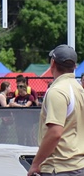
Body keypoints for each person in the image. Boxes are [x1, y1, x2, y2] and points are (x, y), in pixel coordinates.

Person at [28, 44, 84, 176]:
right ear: (74, 66)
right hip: (78, 164)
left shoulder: (57, 91)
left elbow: (55, 133)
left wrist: (35, 164)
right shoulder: (79, 89)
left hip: (59, 167)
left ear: (52, 63)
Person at [10, 79, 35, 145]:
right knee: (20, 137)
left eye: (21, 90)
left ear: (24, 89)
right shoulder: (18, 98)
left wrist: (17, 105)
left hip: (28, 119)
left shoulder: (30, 97)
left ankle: (29, 151)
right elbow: (13, 104)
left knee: (28, 136)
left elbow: (26, 105)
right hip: (19, 119)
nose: (19, 92)